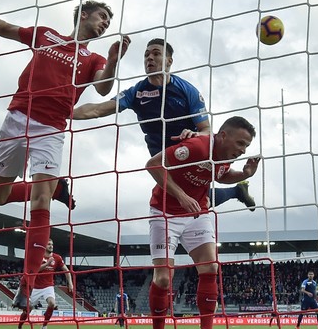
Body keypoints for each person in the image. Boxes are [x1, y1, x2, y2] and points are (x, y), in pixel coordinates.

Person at [0, 1, 130, 308]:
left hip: (52, 128)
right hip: (17, 118)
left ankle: (27, 284)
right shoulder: (46, 35)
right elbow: (7, 29)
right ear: (83, 14)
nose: (105, 23)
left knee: (40, 201)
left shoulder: (93, 58)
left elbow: (102, 88)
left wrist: (112, 61)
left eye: (109, 21)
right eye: (102, 17)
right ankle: (56, 187)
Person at [72, 38, 256, 211]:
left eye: (156, 53)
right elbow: (97, 109)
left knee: (190, 198)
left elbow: (207, 130)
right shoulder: (136, 92)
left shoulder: (187, 90)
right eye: (146, 55)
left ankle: (232, 193)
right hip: (160, 156)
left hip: (191, 154)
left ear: (169, 61)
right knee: (184, 198)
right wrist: (64, 112)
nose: (149, 57)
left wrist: (196, 135)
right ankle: (236, 191)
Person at [144, 116, 260, 329]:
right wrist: (182, 195)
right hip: (165, 212)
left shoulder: (224, 158)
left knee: (211, 267)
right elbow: (154, 165)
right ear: (223, 135)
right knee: (163, 278)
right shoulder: (196, 147)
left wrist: (244, 174)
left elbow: (220, 176)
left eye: (246, 147)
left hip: (197, 213)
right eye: (240, 143)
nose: (242, 150)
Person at [15, 239, 73, 329]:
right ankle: (19, 327)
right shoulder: (39, 256)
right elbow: (35, 270)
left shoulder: (57, 258)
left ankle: (44, 326)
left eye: (52, 244)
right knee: (28, 309)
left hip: (48, 286)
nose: (51, 246)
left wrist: (70, 283)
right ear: (44, 246)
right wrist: (47, 263)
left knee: (52, 303)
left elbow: (67, 271)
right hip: (35, 287)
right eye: (49, 244)